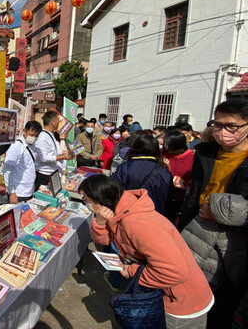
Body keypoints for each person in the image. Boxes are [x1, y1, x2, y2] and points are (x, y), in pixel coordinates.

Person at [80, 174, 214, 328]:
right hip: (165, 294)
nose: (86, 205)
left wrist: (131, 270)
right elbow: (103, 240)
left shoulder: (136, 224)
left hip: (182, 303)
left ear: (100, 199)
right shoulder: (121, 211)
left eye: (86, 200)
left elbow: (175, 272)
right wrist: (100, 222)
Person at [179, 98, 248, 328]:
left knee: (220, 309)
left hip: (234, 246)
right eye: (217, 125)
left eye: (231, 126)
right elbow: (195, 192)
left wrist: (219, 212)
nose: (222, 132)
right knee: (191, 300)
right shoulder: (205, 152)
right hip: (197, 233)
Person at [110, 133, 173, 215]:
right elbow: (168, 197)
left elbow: (112, 190)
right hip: (154, 215)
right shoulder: (164, 171)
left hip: (127, 213)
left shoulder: (125, 168)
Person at [3, 121, 42, 203]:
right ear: (24, 131)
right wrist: (12, 192)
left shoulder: (33, 145)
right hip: (18, 192)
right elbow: (7, 169)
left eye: (36, 136)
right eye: (32, 135)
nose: (34, 138)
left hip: (29, 191)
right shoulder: (16, 146)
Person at [160, 130, 194, 224]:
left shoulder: (192, 158)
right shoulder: (162, 155)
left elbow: (196, 180)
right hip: (163, 197)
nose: (165, 147)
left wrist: (186, 185)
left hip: (180, 201)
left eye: (168, 145)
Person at [34, 110, 72, 190]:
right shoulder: (43, 137)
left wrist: (66, 152)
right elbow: (43, 158)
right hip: (44, 174)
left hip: (52, 173)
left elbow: (53, 151)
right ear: (53, 122)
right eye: (58, 121)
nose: (59, 123)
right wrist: (63, 157)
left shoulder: (50, 134)